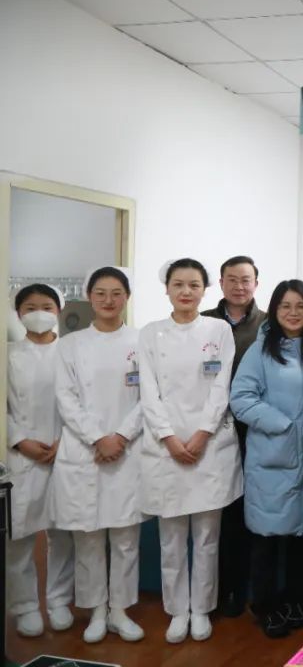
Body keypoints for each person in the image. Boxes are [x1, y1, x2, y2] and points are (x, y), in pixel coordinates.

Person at [139, 258, 243, 644]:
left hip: (209, 447)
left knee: (207, 537)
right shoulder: (150, 333)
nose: (186, 291)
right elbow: (148, 390)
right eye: (178, 284)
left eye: (194, 285)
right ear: (166, 288)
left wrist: (201, 434)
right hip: (165, 448)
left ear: (205, 289)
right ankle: (176, 611)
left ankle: (200, 609)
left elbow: (221, 386)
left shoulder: (219, 330)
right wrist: (169, 437)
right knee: (170, 539)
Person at [230, 279, 303, 639]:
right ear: (274, 310)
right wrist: (283, 425)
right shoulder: (260, 351)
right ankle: (265, 605)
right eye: (285, 306)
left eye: (300, 306)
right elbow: (241, 399)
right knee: (268, 540)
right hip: (273, 458)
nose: (293, 313)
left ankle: (295, 599)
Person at [52, 267, 145, 643]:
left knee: (125, 537)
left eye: (116, 292)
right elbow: (65, 398)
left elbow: (150, 397)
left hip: (127, 449)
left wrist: (120, 436)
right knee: (87, 536)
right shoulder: (70, 345)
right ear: (89, 297)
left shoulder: (141, 342)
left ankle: (120, 610)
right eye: (101, 293)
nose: (109, 300)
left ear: (127, 297)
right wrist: (97, 438)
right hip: (84, 451)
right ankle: (95, 610)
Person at [7, 284, 75, 638]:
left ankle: (59, 600)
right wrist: (20, 440)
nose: (38, 313)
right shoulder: (7, 355)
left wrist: (65, 440)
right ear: (18, 314)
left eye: (46, 306)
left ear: (58, 310)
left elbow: (83, 400)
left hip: (67, 451)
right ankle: (25, 606)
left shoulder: (71, 352)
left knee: (63, 533)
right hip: (21, 455)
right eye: (30, 307)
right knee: (18, 534)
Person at [202, 255, 266, 618]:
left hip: (251, 429)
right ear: (221, 283)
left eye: (246, 279)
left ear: (256, 283)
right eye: (232, 279)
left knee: (245, 513)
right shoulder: (204, 322)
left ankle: (239, 592)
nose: (239, 286)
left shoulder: (269, 325)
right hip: (207, 430)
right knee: (215, 516)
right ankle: (213, 592)